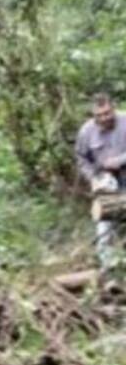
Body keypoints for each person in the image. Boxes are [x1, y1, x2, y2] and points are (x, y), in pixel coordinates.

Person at [75, 93, 126, 269]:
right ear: (93, 115)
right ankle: (109, 265)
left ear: (113, 109)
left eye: (107, 113)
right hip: (104, 181)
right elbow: (82, 159)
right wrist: (93, 178)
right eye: (99, 115)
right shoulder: (86, 132)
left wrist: (119, 161)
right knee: (104, 220)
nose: (104, 118)